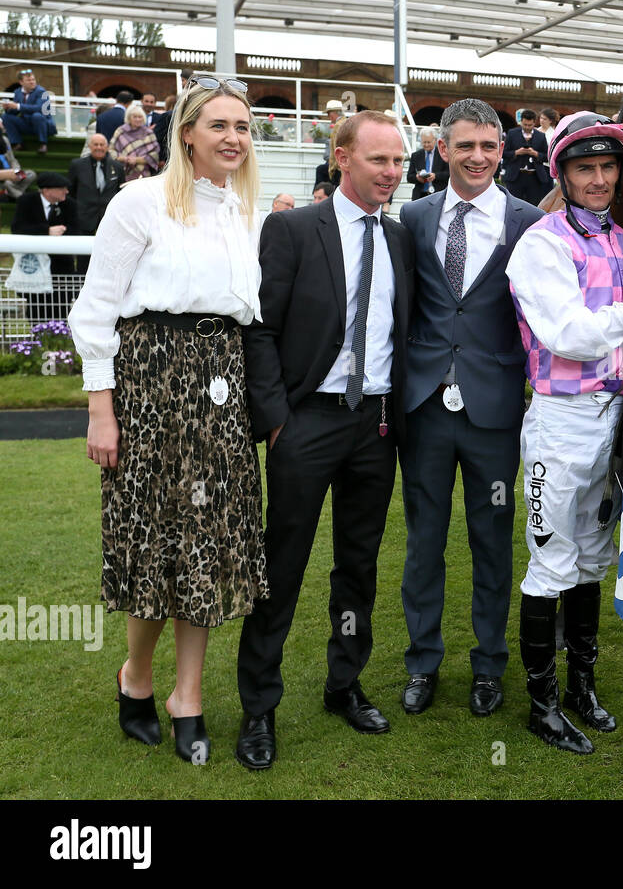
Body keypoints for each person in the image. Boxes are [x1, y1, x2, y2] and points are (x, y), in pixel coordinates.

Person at [67, 75, 269, 765]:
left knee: (207, 548)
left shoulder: (247, 214)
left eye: (241, 127)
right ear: (187, 133)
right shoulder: (140, 201)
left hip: (222, 392)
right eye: (218, 125)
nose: (233, 138)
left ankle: (189, 696)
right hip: (151, 389)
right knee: (155, 545)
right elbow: (94, 311)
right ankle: (137, 677)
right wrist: (102, 411)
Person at [506, 111, 623, 755]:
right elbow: (570, 335)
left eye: (606, 167)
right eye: (583, 168)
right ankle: (541, 701)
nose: (596, 179)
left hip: (613, 420)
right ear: (562, 173)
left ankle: (582, 686)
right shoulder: (541, 245)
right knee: (550, 562)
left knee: (590, 559)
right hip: (559, 425)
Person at [237, 110, 414, 770]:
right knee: (280, 569)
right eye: (378, 161)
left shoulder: (399, 240)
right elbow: (259, 327)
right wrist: (278, 417)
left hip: (376, 426)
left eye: (397, 162)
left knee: (357, 569)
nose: (391, 173)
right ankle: (259, 706)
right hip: (305, 422)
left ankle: (344, 684)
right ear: (343, 158)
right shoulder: (289, 229)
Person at [397, 98, 544, 719]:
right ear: (444, 149)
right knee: (423, 541)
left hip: (494, 410)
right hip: (425, 406)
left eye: (488, 146)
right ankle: (422, 662)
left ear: (502, 151)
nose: (477, 157)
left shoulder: (532, 222)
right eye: (465, 146)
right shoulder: (413, 216)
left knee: (492, 540)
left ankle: (489, 666)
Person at [67, 134, 125, 235]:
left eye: (102, 145)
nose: (99, 147)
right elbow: (70, 191)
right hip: (83, 217)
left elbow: (121, 192)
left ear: (107, 147)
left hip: (109, 217)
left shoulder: (117, 167)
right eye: (96, 144)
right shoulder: (77, 165)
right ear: (89, 146)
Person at [502, 109, 551, 206]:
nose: (527, 127)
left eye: (530, 125)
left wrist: (535, 153)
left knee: (534, 205)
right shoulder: (512, 133)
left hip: (535, 177)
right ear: (521, 122)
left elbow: (547, 156)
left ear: (534, 122)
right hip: (516, 177)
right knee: (513, 205)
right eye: (525, 125)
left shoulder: (540, 136)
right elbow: (504, 153)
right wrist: (517, 152)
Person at [2, 68, 58, 154]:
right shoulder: (17, 92)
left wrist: (17, 106)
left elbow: (40, 108)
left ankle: (43, 144)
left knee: (37, 115)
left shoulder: (42, 92)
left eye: (33, 79)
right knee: (6, 117)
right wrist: (9, 108)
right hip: (27, 124)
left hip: (43, 125)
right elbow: (16, 111)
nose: (32, 82)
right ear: (21, 82)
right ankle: (17, 143)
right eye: (28, 80)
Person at [108, 106, 161, 182]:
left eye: (140, 117)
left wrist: (136, 160)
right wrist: (125, 159)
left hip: (144, 174)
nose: (138, 119)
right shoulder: (120, 131)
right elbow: (111, 151)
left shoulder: (148, 133)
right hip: (123, 173)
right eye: (135, 117)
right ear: (129, 118)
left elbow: (155, 155)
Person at [407, 127, 442, 200]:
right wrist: (417, 177)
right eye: (424, 142)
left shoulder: (442, 154)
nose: (426, 145)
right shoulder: (416, 155)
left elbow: (449, 174)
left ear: (435, 140)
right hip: (420, 195)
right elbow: (409, 177)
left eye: (428, 142)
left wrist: (435, 176)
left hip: (438, 194)